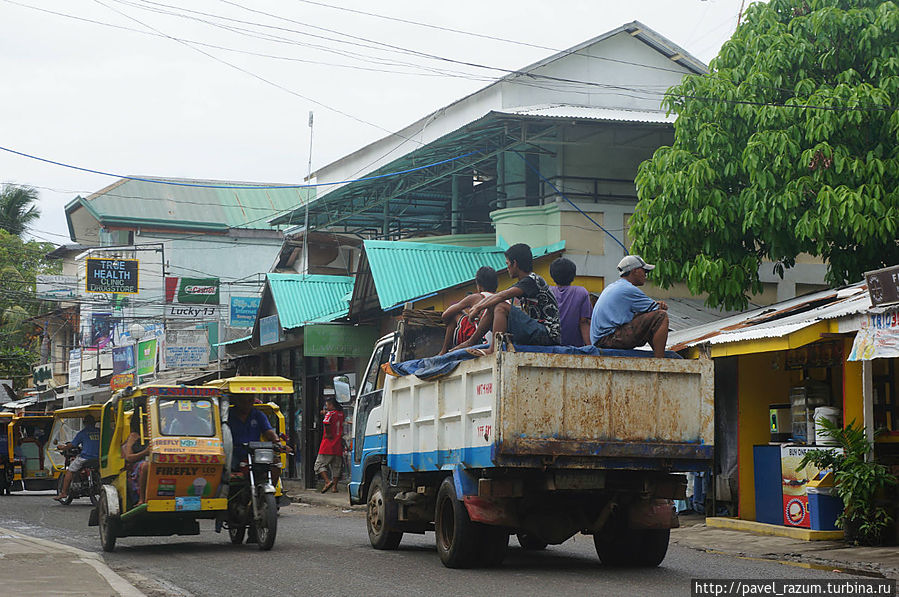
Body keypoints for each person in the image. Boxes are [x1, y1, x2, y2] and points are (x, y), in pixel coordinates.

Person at [458, 243, 561, 355]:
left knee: (500, 306)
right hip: (535, 331)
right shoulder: (522, 283)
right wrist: (481, 307)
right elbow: (498, 296)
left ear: (514, 263)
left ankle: (493, 349)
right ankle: (471, 341)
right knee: (495, 304)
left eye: (507, 263)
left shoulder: (532, 281)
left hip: (548, 335)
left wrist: (478, 307)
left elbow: (502, 296)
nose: (507, 268)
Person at [590, 255, 670, 358]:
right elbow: (657, 309)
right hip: (608, 339)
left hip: (602, 339)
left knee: (648, 317)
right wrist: (659, 305)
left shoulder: (615, 286)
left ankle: (658, 355)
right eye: (644, 271)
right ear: (635, 271)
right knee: (661, 316)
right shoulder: (628, 289)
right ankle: (660, 361)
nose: (646, 275)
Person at [438, 266, 499, 355]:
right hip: (497, 342)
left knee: (454, 314)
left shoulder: (476, 297)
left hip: (481, 341)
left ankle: (443, 351)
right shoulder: (502, 298)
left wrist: (447, 323)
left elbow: (445, 314)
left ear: (479, 285)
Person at [227, 396, 281, 478]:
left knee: (275, 463)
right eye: (243, 401)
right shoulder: (227, 415)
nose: (247, 404)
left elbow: (268, 431)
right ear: (236, 401)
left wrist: (277, 442)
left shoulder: (258, 415)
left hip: (254, 452)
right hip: (233, 452)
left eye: (249, 401)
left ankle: (270, 486)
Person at [54, 414, 100, 502]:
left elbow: (72, 445)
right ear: (94, 423)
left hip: (86, 458)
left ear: (84, 423)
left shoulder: (82, 433)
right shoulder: (100, 431)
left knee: (70, 470)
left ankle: (63, 493)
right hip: (99, 458)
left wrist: (63, 447)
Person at [549, 257, 592, 346]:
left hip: (550, 348)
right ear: (573, 275)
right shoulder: (581, 292)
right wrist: (589, 347)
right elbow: (584, 322)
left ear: (552, 276)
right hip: (575, 349)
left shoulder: (547, 292)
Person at [315, 398, 345, 493]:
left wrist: (328, 433)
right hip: (338, 444)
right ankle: (334, 487)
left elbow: (326, 422)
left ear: (331, 405)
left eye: (327, 405)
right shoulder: (341, 414)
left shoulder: (330, 414)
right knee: (336, 466)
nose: (326, 407)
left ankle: (327, 481)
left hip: (328, 444)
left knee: (319, 465)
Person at [122, 411, 150, 505]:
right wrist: (145, 452)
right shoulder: (134, 436)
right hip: (137, 464)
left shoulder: (157, 433)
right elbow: (129, 457)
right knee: (145, 466)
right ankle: (142, 499)